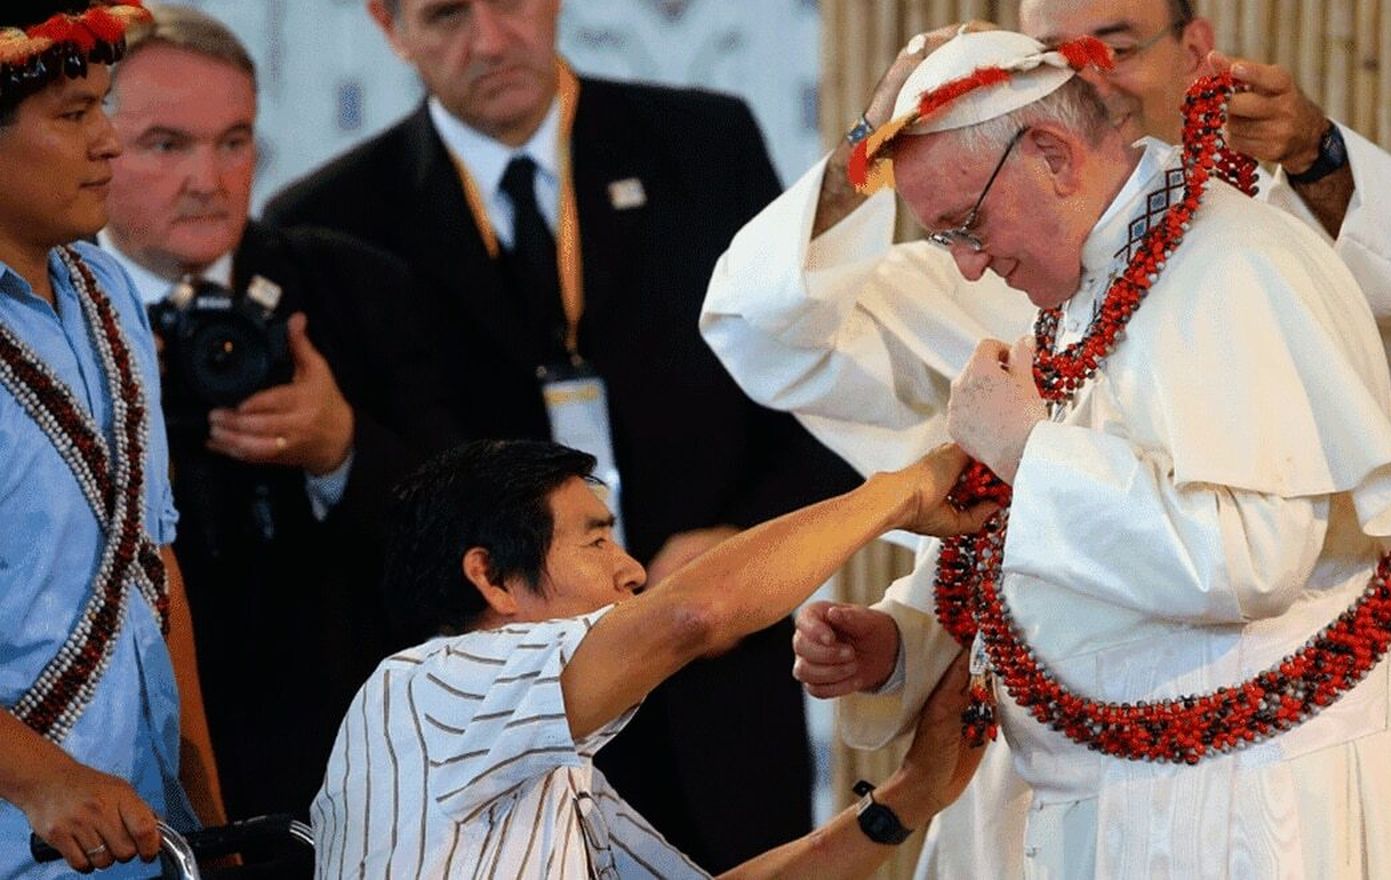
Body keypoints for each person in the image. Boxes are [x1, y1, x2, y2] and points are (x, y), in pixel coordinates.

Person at [699, 3, 1391, 876]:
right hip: (1099, 792)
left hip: (1248, 808)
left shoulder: (1236, 263)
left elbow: (1252, 556)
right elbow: (1037, 539)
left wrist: (1029, 451)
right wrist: (906, 643)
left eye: (966, 227)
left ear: (1052, 154)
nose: (965, 263)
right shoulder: (1076, 279)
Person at [263, 0, 861, 868]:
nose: (492, 39)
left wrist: (740, 540)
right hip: (506, 743)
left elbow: (818, 384)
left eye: (510, 2)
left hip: (720, 694)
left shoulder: (703, 140)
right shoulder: (331, 219)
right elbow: (378, 524)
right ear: (389, 29)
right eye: (446, 16)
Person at [96, 4, 462, 825]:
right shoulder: (58, 316)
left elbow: (474, 531)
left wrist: (342, 450)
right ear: (97, 142)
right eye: (167, 145)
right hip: (127, 778)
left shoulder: (353, 288)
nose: (210, 179)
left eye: (234, 142)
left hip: (349, 771)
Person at [317, 438, 989, 879]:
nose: (632, 571)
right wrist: (904, 492)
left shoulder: (554, 767)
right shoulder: (423, 688)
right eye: (595, 544)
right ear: (491, 579)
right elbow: (693, 614)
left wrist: (905, 801)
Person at [0, 2, 226, 875]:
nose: (108, 142)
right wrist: (42, 779)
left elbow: (151, 567)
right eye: (72, 115)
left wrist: (206, 812)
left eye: (105, 107)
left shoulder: (106, 289)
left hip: (145, 836)